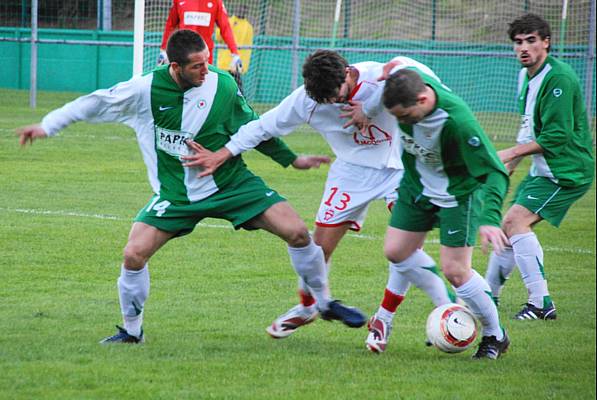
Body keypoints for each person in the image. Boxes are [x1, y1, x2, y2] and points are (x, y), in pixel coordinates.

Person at [16, 30, 367, 344]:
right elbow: (92, 103)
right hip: (177, 194)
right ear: (175, 66)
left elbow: (253, 128)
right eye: (197, 65)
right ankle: (131, 331)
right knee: (133, 254)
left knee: (297, 232)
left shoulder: (224, 85)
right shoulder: (144, 90)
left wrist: (290, 159)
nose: (206, 69)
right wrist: (49, 125)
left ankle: (322, 303)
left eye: (208, 60)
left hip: (232, 183)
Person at [180, 50, 456, 348]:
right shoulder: (307, 99)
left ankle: (440, 310)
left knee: (403, 247)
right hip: (351, 171)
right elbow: (261, 127)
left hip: (400, 168)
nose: (333, 104)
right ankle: (309, 307)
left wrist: (372, 105)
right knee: (317, 249)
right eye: (325, 101)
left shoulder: (378, 78)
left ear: (348, 73)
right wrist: (222, 154)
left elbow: (415, 72)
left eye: (337, 97)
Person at [372, 67, 511, 359]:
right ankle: (446, 302)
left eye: (405, 117)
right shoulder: (408, 87)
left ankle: (495, 334)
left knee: (456, 271)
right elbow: (399, 64)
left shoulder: (458, 123)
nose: (401, 123)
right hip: (416, 188)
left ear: (423, 100)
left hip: (457, 195)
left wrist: (490, 219)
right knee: (396, 251)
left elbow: (495, 172)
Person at [484, 14, 594, 320]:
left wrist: (508, 153)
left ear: (546, 42)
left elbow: (556, 136)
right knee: (509, 225)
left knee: (516, 222)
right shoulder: (526, 77)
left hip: (567, 170)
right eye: (518, 42)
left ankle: (540, 302)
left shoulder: (559, 78)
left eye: (531, 40)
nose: (524, 48)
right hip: (544, 168)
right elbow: (528, 131)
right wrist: (507, 167)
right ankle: (488, 294)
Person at [158, 0, 242, 72]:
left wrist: (235, 53)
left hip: (205, 58)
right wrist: (164, 50)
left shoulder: (216, 1)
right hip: (182, 54)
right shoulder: (179, 1)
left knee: (204, 87)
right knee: (180, 86)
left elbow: (225, 28)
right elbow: (170, 25)